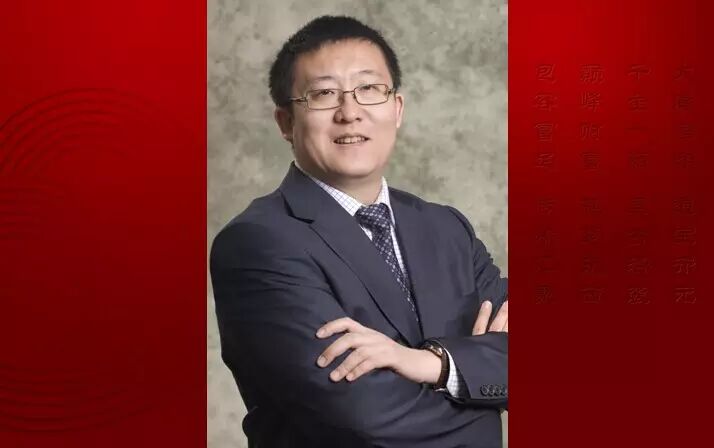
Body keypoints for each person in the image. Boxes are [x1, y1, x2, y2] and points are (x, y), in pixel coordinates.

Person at [210, 15, 508, 448]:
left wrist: (433, 364)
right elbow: (364, 416)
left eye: (369, 89)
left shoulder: (447, 228)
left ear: (397, 108)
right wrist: (482, 403)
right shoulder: (257, 243)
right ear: (285, 122)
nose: (350, 113)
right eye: (323, 94)